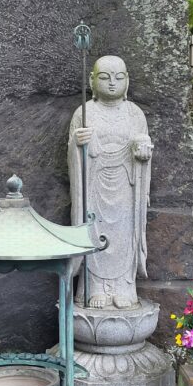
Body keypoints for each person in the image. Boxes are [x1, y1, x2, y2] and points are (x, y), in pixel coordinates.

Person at [68, 55, 152, 309]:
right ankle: (94, 287)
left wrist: (142, 150)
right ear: (92, 81)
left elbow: (144, 148)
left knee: (124, 233)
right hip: (94, 186)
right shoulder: (84, 112)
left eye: (119, 77)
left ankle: (124, 287)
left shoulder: (134, 113)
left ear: (128, 81)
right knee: (93, 230)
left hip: (127, 186)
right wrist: (77, 144)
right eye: (105, 78)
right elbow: (72, 153)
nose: (112, 83)